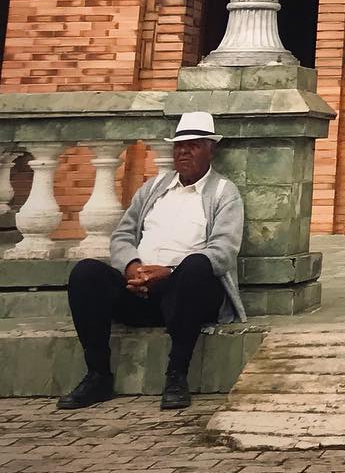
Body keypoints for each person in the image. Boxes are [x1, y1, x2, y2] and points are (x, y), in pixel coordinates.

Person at [57, 111, 246, 411]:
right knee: (85, 273)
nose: (183, 151)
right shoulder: (154, 188)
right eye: (179, 146)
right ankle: (98, 375)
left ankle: (176, 376)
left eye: (193, 145)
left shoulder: (224, 193)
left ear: (211, 149)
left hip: (186, 296)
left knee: (196, 266)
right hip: (139, 292)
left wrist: (169, 273)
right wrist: (132, 267)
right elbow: (122, 235)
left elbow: (223, 251)